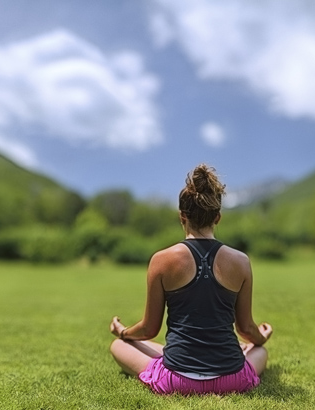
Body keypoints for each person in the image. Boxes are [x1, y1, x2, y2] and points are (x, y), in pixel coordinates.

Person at [109, 164, 273, 395]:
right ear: (218, 217)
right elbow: (245, 328)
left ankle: (177, 354)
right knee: (260, 351)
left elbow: (148, 329)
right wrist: (261, 337)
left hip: (176, 380)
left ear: (182, 216)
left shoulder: (161, 260)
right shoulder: (241, 261)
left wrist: (123, 332)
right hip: (232, 379)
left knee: (118, 346)